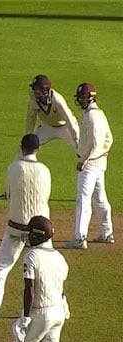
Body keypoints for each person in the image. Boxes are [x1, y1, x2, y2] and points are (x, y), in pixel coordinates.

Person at [0, 134, 51, 321]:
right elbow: (45, 196)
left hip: (16, 228)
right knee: (46, 269)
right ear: (38, 149)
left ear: (22, 147)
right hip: (40, 231)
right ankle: (51, 308)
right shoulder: (45, 170)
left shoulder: (13, 168)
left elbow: (9, 195)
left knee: (2, 268)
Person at [6, 215, 69, 342]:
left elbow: (30, 290)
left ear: (39, 236)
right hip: (58, 311)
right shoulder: (60, 258)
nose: (28, 237)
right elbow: (61, 286)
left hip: (39, 313)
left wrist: (25, 317)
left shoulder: (32, 257)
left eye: (31, 234)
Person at [64, 83, 114, 249]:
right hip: (99, 163)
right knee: (100, 199)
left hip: (90, 165)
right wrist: (103, 154)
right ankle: (107, 232)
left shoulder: (92, 117)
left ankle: (80, 238)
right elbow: (109, 139)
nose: (80, 100)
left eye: (82, 97)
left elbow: (94, 142)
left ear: (90, 97)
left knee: (83, 200)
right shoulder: (99, 113)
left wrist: (84, 160)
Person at [25, 74, 79, 151]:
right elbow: (31, 118)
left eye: (37, 90)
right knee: (28, 148)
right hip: (47, 127)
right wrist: (28, 137)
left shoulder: (57, 99)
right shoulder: (32, 99)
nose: (34, 92)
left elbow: (68, 118)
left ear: (45, 91)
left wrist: (76, 137)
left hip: (65, 127)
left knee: (81, 150)